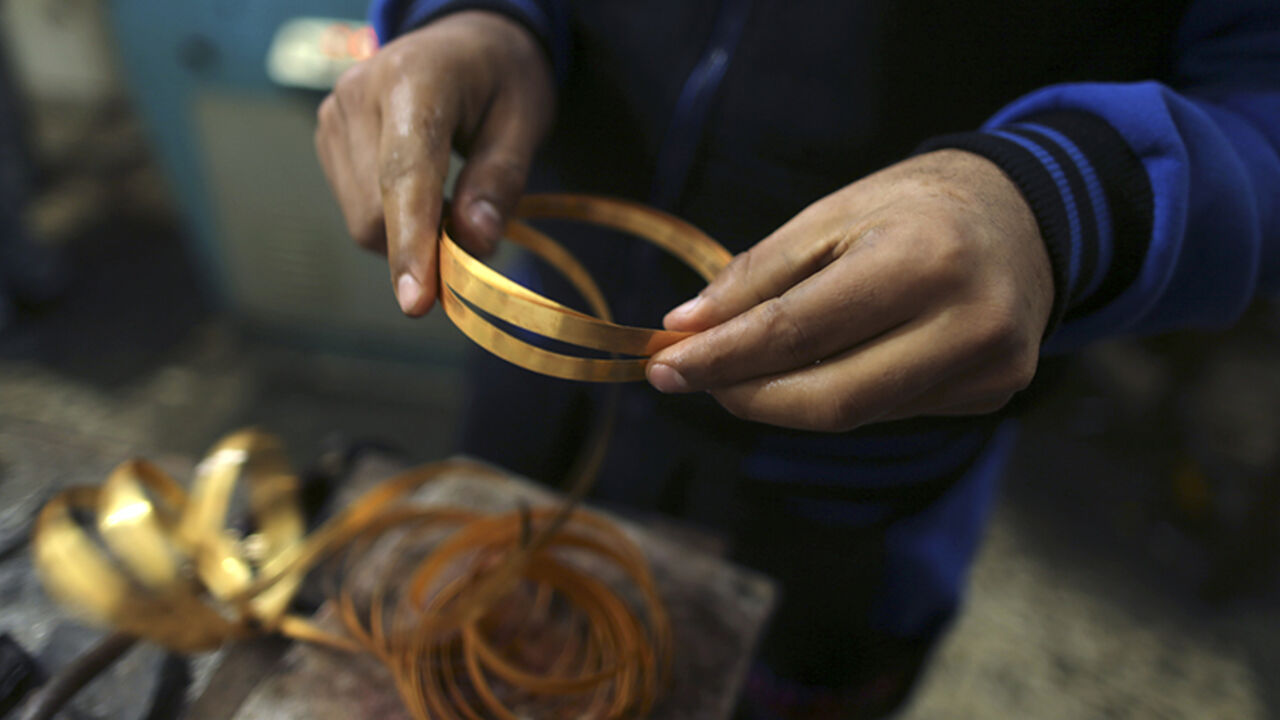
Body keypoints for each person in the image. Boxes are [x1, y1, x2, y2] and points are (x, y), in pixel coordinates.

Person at [315, 2, 1280, 717]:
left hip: (864, 485)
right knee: (481, 644)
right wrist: (478, 22)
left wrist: (1063, 200)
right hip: (538, 383)